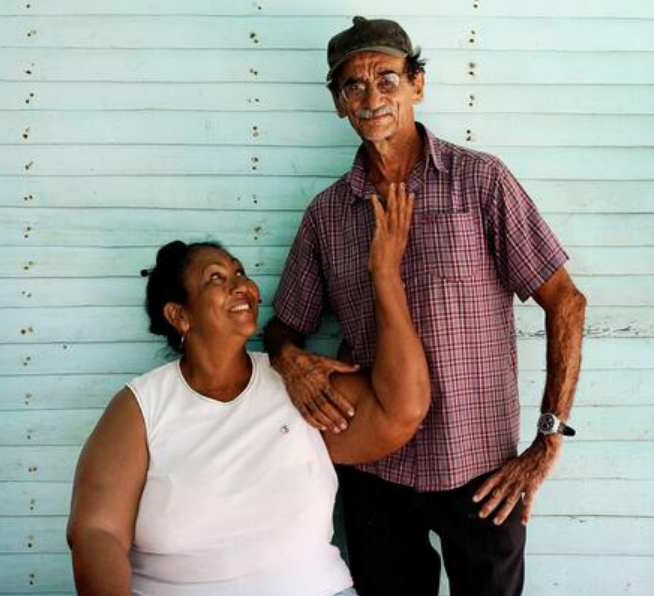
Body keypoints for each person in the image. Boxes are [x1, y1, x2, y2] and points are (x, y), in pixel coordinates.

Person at [264, 16, 588, 596]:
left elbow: (565, 302)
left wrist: (546, 441)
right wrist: (290, 361)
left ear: (417, 84)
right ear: (339, 104)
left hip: (481, 469)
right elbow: (285, 328)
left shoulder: (479, 182)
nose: (371, 99)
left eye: (387, 79)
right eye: (353, 87)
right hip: (373, 468)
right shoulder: (328, 213)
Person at [66, 185, 429, 596]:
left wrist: (384, 274)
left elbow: (404, 408)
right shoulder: (142, 407)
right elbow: (97, 531)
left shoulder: (299, 383)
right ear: (179, 316)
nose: (242, 285)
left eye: (240, 272)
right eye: (217, 279)